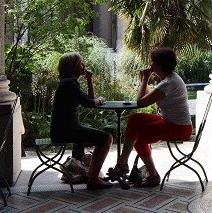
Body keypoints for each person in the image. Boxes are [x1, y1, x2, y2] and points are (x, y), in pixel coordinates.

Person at [109, 47, 192, 187]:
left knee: (139, 138)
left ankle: (152, 175)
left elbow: (141, 102)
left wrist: (145, 78)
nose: (150, 64)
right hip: (170, 121)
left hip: (179, 127)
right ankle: (123, 163)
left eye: (153, 61)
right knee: (135, 118)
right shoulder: (168, 79)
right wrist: (145, 80)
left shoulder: (168, 83)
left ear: (160, 64)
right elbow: (146, 99)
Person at [50, 52, 113, 190]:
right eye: (81, 64)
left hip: (64, 129)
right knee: (107, 138)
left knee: (101, 140)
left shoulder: (68, 82)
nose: (83, 66)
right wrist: (100, 100)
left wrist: (89, 80)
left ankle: (92, 177)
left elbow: (89, 99)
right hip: (66, 131)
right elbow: (89, 103)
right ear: (72, 67)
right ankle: (94, 179)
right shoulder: (69, 84)